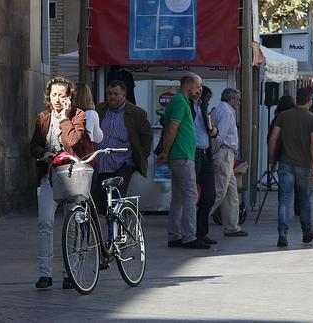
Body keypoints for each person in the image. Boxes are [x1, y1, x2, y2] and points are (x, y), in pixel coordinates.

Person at [29, 76, 90, 289]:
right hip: (49, 176)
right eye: (53, 95)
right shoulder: (43, 118)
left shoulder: (78, 115)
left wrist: (65, 117)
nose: (57, 99)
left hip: (72, 178)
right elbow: (33, 146)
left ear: (69, 97)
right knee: (45, 223)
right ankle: (45, 274)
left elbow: (73, 141)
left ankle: (69, 273)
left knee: (72, 225)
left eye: (61, 95)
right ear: (48, 96)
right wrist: (43, 153)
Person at [157, 73, 210, 249]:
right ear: (189, 86)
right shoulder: (180, 102)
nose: (200, 90)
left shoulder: (180, 101)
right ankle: (189, 236)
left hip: (180, 155)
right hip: (182, 155)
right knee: (190, 196)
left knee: (179, 198)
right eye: (198, 86)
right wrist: (165, 151)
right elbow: (172, 128)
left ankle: (174, 236)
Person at [269, 87, 313, 247]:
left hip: (286, 163)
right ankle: (306, 232)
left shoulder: (283, 116)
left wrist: (272, 159)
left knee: (284, 200)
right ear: (309, 101)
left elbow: (273, 139)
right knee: (305, 201)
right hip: (305, 165)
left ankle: (282, 234)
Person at [93, 80, 153, 215]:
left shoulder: (137, 113)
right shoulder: (99, 110)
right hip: (101, 164)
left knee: (115, 200)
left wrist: (141, 156)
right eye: (109, 93)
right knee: (98, 201)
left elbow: (147, 136)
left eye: (116, 94)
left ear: (124, 95)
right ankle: (116, 224)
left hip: (123, 163)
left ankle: (118, 230)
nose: (112, 97)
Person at [209, 88, 249, 237]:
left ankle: (232, 225)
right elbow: (220, 136)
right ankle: (196, 220)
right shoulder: (227, 112)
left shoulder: (217, 110)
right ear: (231, 99)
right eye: (238, 99)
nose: (239, 103)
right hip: (224, 153)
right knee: (220, 191)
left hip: (225, 154)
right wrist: (214, 153)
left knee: (231, 193)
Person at [192, 85, 218, 245]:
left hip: (206, 154)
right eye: (204, 96)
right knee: (191, 195)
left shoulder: (203, 108)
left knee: (209, 195)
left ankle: (201, 231)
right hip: (193, 153)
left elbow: (210, 130)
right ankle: (193, 233)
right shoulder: (188, 106)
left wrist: (214, 131)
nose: (206, 100)